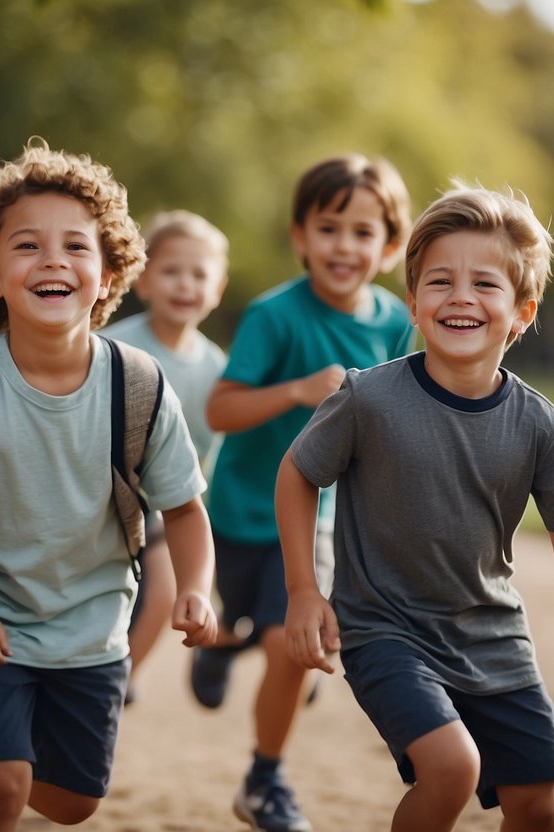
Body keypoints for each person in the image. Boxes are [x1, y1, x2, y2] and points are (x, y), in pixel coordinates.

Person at [275, 183, 554, 832]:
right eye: (440, 282)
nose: (461, 298)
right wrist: (304, 590)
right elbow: (297, 474)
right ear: (414, 305)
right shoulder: (369, 399)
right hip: (385, 631)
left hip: (494, 640)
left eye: (484, 284)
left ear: (522, 312)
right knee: (450, 767)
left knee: (537, 810)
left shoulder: (539, 425)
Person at [0, 139, 218, 832]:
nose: (54, 260)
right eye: (27, 246)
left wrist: (192, 586)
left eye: (76, 247)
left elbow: (183, 508)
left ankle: (8, 758)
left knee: (72, 804)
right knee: (1, 789)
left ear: (109, 273)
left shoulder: (139, 386)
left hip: (92, 629)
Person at [195, 153, 416, 832]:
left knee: (290, 643)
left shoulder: (397, 325)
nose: (343, 246)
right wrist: (293, 391)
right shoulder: (273, 316)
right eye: (327, 228)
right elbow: (220, 412)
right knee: (261, 631)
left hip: (322, 519)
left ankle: (264, 778)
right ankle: (223, 644)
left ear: (389, 246)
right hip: (237, 513)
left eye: (361, 232)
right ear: (298, 237)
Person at [101, 209, 230, 701]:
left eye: (199, 274)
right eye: (171, 270)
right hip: (103, 497)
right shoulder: (113, 346)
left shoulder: (218, 367)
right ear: (145, 279)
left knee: (165, 590)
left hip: (162, 506)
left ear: (217, 288)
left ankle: (123, 679)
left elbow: (207, 454)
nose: (185, 284)